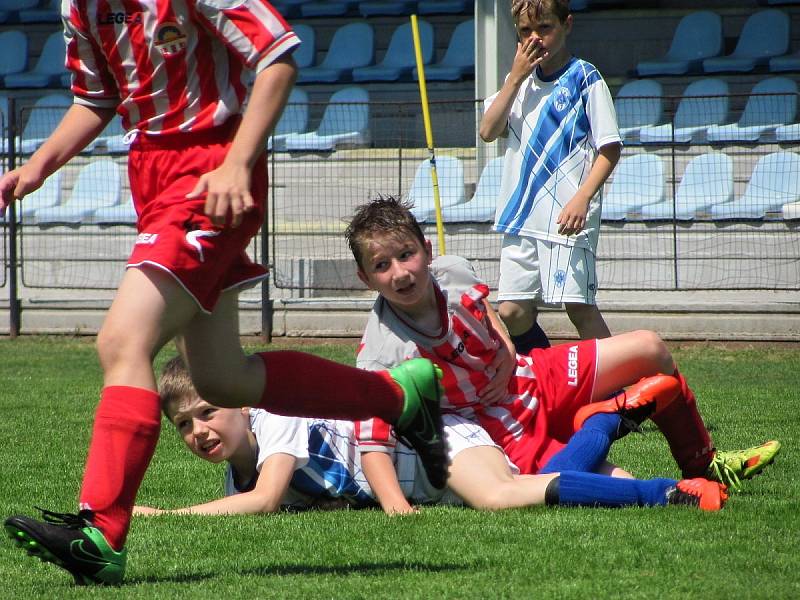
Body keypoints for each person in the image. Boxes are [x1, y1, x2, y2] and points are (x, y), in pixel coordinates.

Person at [2, 2, 448, 586]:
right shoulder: (80, 7)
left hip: (213, 177)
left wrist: (238, 162)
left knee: (121, 343)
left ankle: (102, 532)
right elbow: (96, 98)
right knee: (221, 379)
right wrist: (36, 167)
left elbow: (279, 55)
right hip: (154, 182)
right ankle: (397, 397)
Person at [344, 196, 780, 494]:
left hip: (537, 376)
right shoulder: (380, 352)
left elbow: (484, 309)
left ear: (428, 249)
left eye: (406, 255)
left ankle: (703, 464)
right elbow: (371, 438)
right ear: (366, 279)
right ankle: (606, 421)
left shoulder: (452, 270)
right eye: (381, 266)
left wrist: (506, 349)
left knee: (650, 348)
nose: (400, 273)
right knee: (620, 485)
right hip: (502, 429)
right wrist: (396, 506)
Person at [133, 356, 729, 518]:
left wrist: (165, 514)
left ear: (243, 402)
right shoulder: (241, 467)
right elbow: (252, 494)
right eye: (183, 424)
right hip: (429, 480)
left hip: (438, 446)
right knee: (527, 489)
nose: (198, 430)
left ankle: (667, 493)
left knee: (503, 496)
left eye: (206, 413)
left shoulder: (278, 417)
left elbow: (263, 502)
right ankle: (608, 418)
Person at [479, 0, 623, 352]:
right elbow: (487, 131)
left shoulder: (585, 78)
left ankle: (622, 389)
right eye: (526, 31)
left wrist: (582, 197)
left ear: (567, 25)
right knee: (511, 312)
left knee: (580, 308)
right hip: (520, 218)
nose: (535, 38)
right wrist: (514, 78)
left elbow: (610, 148)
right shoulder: (518, 84)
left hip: (566, 219)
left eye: (545, 28)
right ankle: (548, 378)